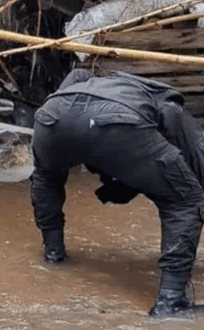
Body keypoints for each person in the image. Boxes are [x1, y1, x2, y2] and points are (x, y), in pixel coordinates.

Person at [30, 69, 204, 317]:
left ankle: (53, 254)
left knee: (46, 176)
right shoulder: (164, 99)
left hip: (51, 116)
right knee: (186, 201)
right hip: (117, 122)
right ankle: (171, 300)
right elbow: (195, 150)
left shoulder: (85, 81)